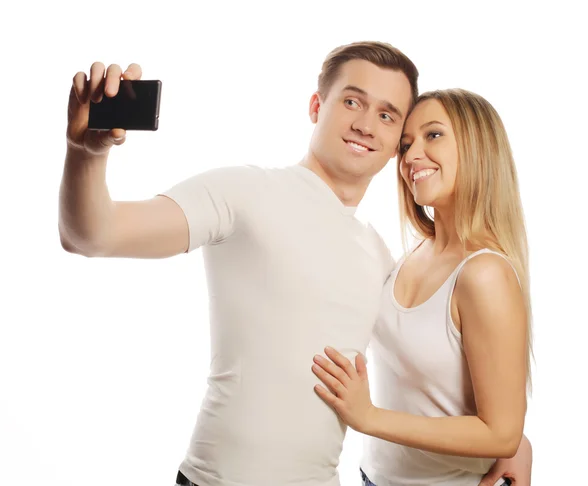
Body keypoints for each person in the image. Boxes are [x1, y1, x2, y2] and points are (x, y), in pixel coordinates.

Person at [59, 41, 530, 486]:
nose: (367, 124)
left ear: (393, 148)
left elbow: (438, 361)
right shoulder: (242, 192)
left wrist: (510, 440)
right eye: (352, 102)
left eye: (387, 117)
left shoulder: (381, 256)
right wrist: (86, 153)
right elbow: (92, 235)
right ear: (315, 107)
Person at [311, 88, 532, 486]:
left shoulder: (484, 274)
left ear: (477, 147)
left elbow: (501, 433)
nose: (411, 157)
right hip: (373, 477)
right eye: (407, 143)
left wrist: (370, 417)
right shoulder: (416, 253)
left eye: (433, 135)